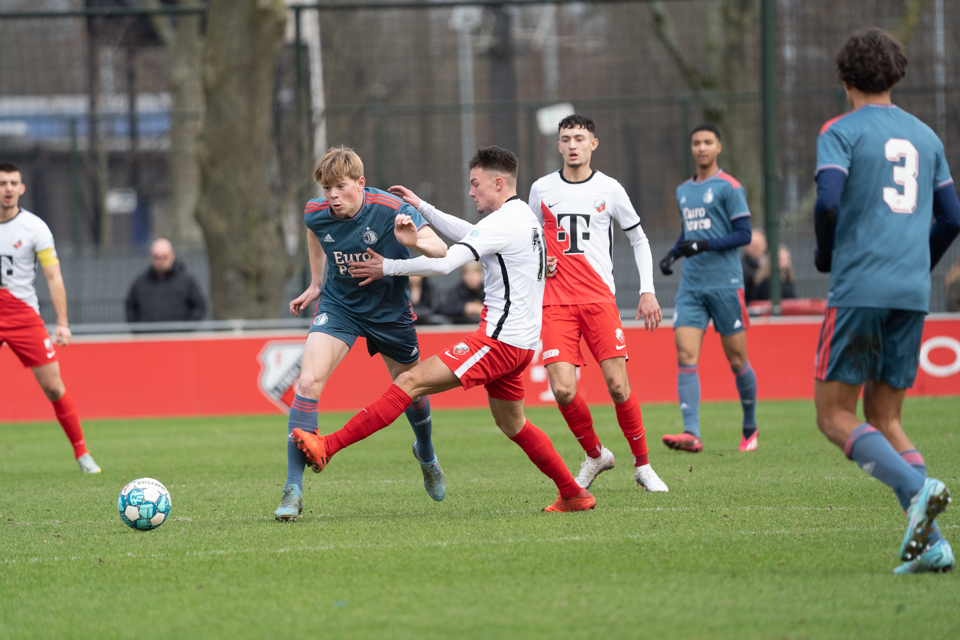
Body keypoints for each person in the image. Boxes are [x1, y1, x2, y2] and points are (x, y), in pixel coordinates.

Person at [292, 146, 597, 512]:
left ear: (497, 183)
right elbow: (471, 233)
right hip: (521, 343)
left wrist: (387, 267)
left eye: (475, 184)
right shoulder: (521, 217)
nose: (471, 192)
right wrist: (424, 208)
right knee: (513, 423)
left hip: (498, 342)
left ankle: (329, 447)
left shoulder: (504, 223)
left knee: (408, 382)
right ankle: (573, 493)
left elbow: (446, 263)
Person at [812, 28, 960, 573]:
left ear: (844, 78)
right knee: (886, 416)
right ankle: (934, 544)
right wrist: (919, 262)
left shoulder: (840, 131)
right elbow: (954, 218)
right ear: (895, 75)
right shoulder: (926, 137)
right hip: (911, 290)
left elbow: (828, 201)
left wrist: (826, 254)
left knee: (833, 416)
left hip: (860, 287)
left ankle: (916, 488)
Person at [274, 146, 449, 521]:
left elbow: (441, 248)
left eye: (340, 187)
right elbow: (314, 232)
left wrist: (413, 242)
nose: (332, 196)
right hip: (340, 309)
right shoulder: (318, 212)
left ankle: (427, 453)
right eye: (327, 189)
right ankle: (293, 489)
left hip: (390, 313)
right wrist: (317, 282)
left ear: (360, 183)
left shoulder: (390, 210)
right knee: (307, 382)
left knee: (412, 387)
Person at [527, 114, 668, 493]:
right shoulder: (541, 189)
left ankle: (643, 465)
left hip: (598, 300)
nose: (572, 145)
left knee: (619, 386)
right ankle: (595, 455)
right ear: (558, 145)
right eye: (566, 138)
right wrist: (540, 261)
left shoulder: (610, 189)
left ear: (593, 144)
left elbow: (639, 240)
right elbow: (528, 242)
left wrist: (647, 289)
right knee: (563, 391)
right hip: (555, 304)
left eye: (579, 138)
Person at [658, 124, 758, 453]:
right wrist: (674, 253)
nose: (701, 148)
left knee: (737, 359)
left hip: (726, 286)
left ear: (719, 147)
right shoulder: (683, 190)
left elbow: (743, 234)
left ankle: (749, 426)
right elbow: (691, 234)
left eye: (707, 142)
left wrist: (703, 245)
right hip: (692, 287)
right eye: (696, 143)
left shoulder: (730, 187)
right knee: (685, 354)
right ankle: (692, 433)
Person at [0, 162, 100, 473]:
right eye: (2, 183)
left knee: (54, 387)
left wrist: (63, 323)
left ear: (22, 188)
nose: (8, 189)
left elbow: (54, 277)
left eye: (13, 183)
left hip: (22, 314)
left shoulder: (35, 228)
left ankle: (82, 454)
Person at [125, 238, 207, 323]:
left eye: (164, 257)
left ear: (172, 256)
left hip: (178, 335)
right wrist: (139, 330)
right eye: (156, 257)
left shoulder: (186, 281)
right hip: (148, 335)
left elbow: (199, 307)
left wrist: (185, 329)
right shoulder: (140, 282)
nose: (160, 261)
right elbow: (130, 307)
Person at [741, 230, 767, 303]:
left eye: (759, 245)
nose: (756, 248)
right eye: (753, 245)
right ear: (745, 246)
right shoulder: (742, 268)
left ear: (765, 245)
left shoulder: (769, 264)